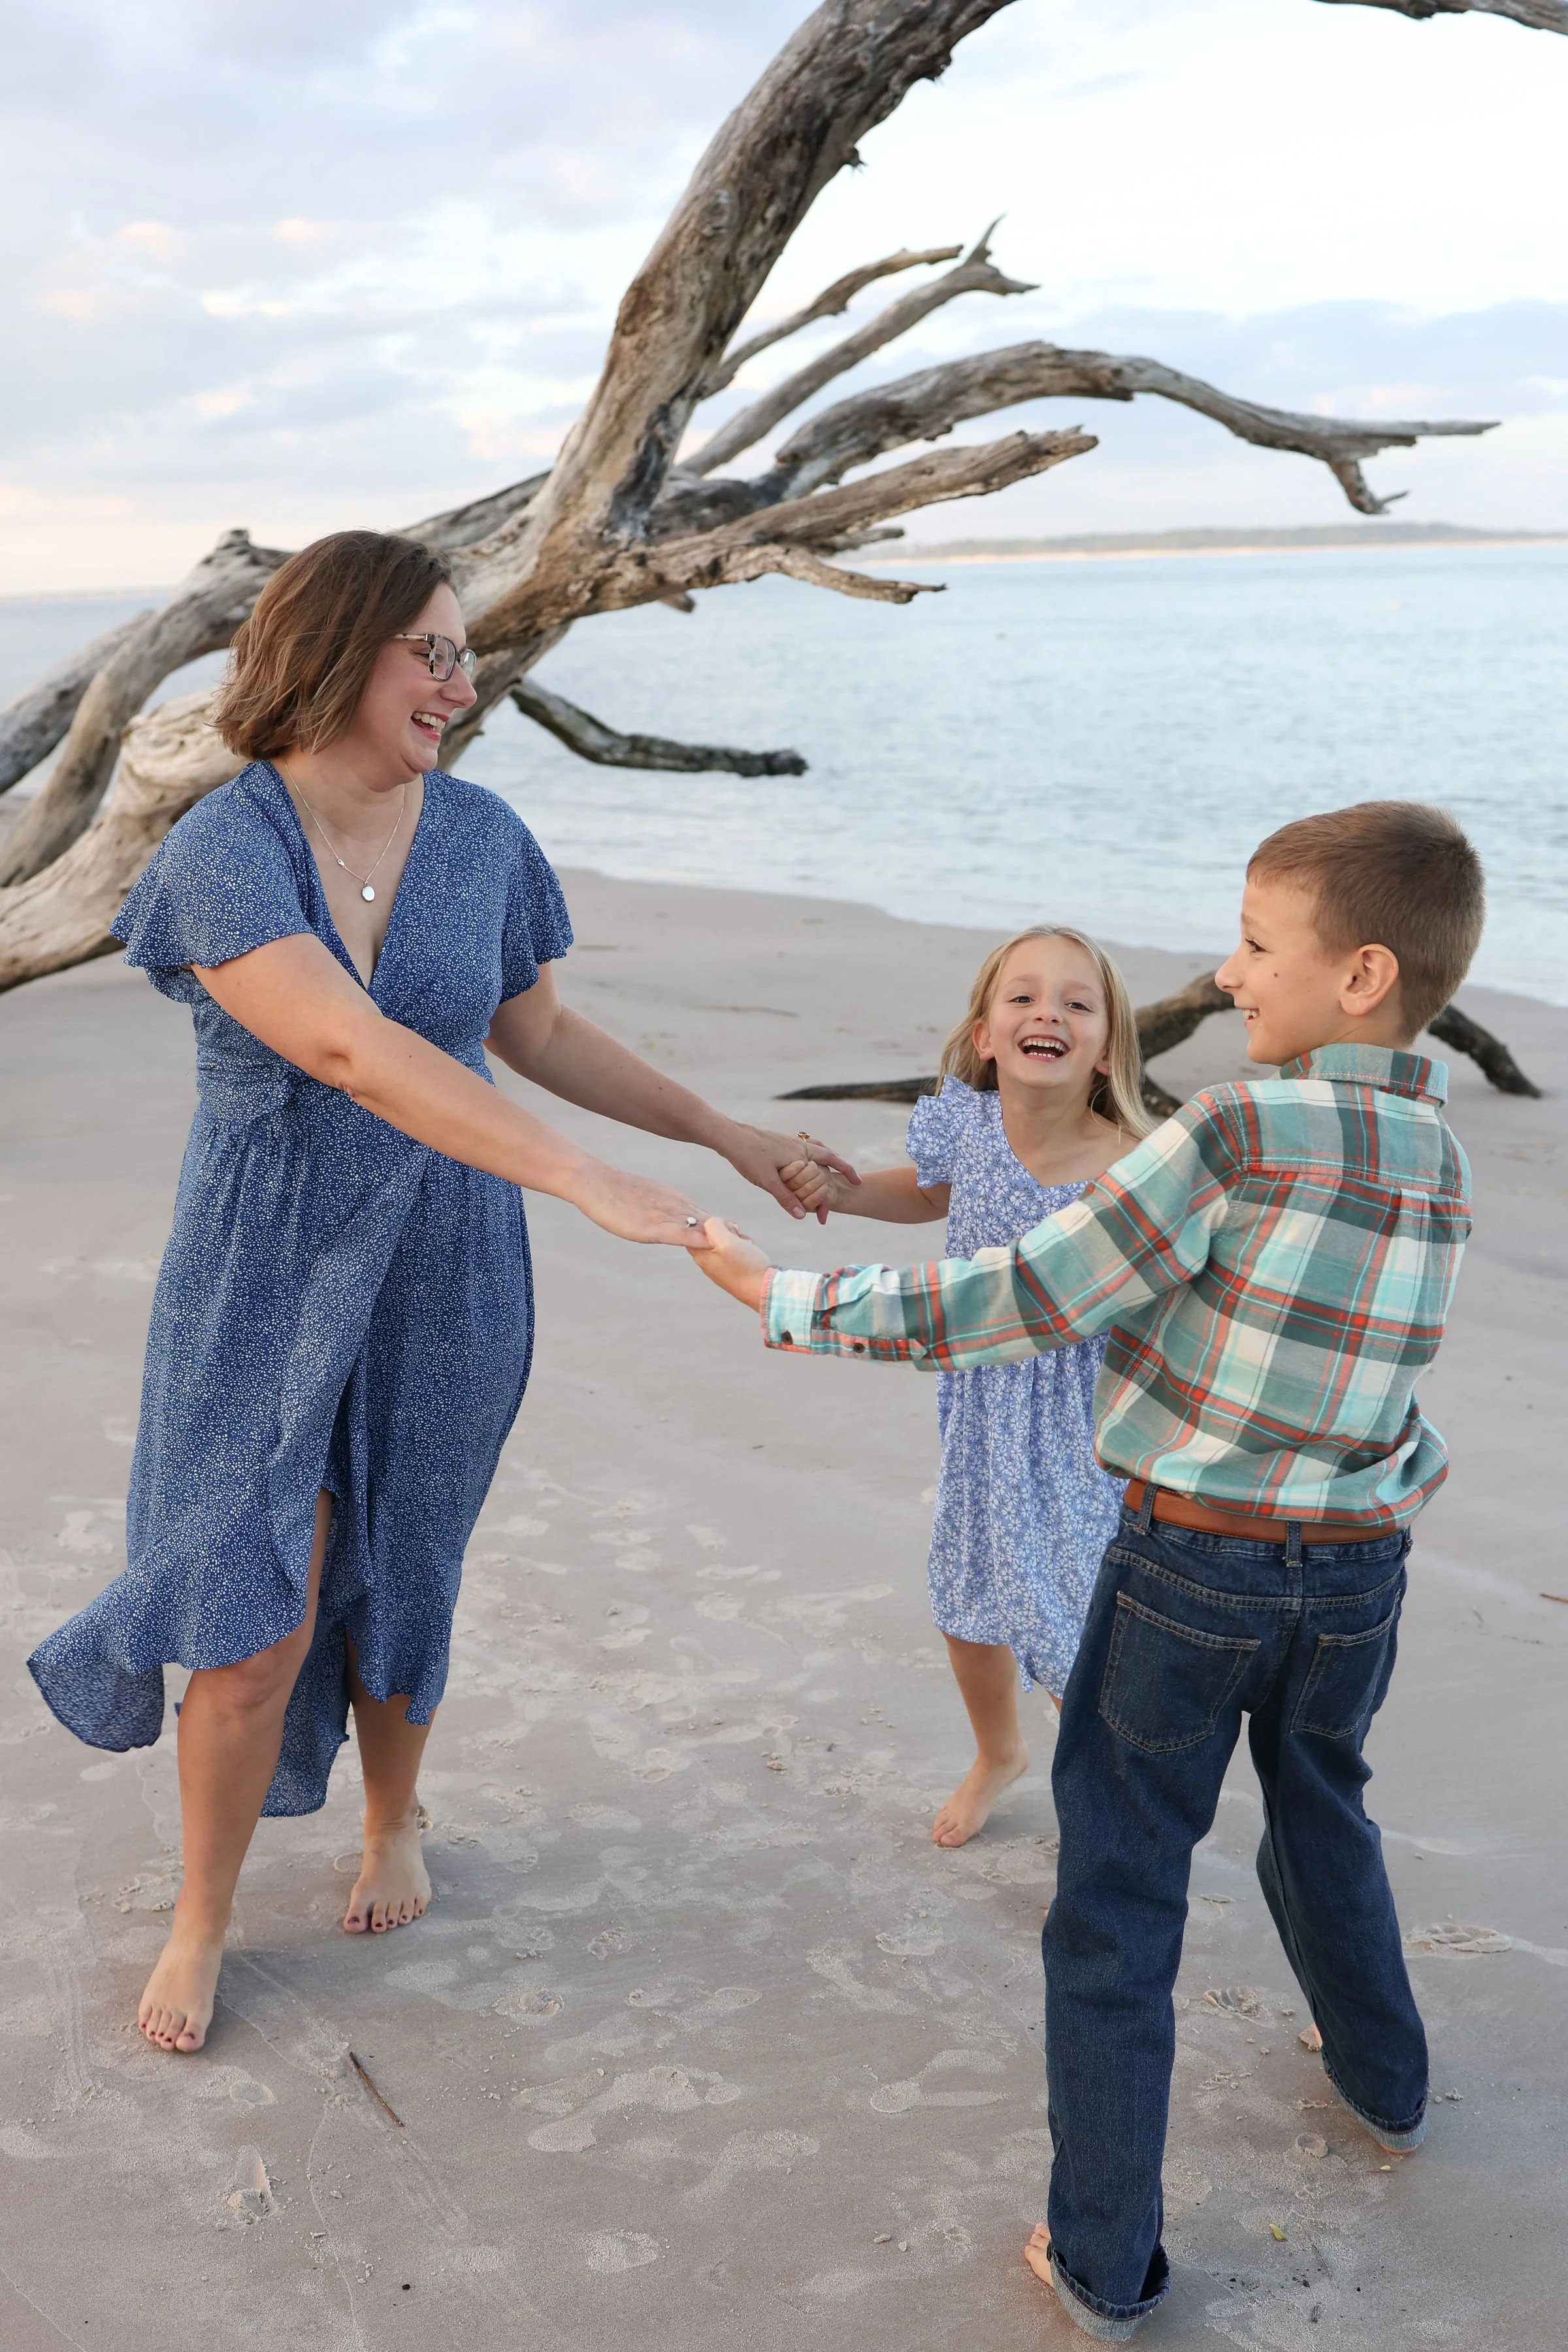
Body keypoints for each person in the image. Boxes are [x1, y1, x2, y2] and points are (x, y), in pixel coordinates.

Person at [27, 529, 854, 2059]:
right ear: (338, 652)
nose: (462, 681)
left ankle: (394, 1819)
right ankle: (203, 1912)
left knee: (409, 1551)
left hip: (448, 1258)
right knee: (241, 1601)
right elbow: (346, 1049)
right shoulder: (227, 848)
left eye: (468, 653)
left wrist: (719, 1132)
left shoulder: (478, 836)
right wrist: (576, 1179)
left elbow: (534, 1030)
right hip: (263, 1266)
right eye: (435, 650)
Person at [693, 800, 1480, 2341]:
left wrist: (781, 1297)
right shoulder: (1439, 1150)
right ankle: (1389, 2086)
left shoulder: (1235, 1129)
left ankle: (1108, 2260)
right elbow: (1380, 1375)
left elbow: (1026, 1296)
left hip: (1194, 1564)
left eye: (1259, 947)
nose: (1231, 974)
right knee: (1324, 1811)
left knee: (1119, 1902)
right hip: (1360, 1569)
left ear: (1364, 973)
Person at [780, 927, 1150, 1846]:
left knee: (1068, 1603)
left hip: (1087, 1418)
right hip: (984, 1404)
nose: (1047, 1014)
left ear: (1106, 1047)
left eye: (1075, 1002)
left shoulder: (1134, 1161)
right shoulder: (972, 1128)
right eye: (1022, 998)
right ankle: (998, 1752)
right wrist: (842, 1191)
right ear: (985, 1035)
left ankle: (1108, 1797)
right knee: (965, 1591)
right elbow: (928, 1192)